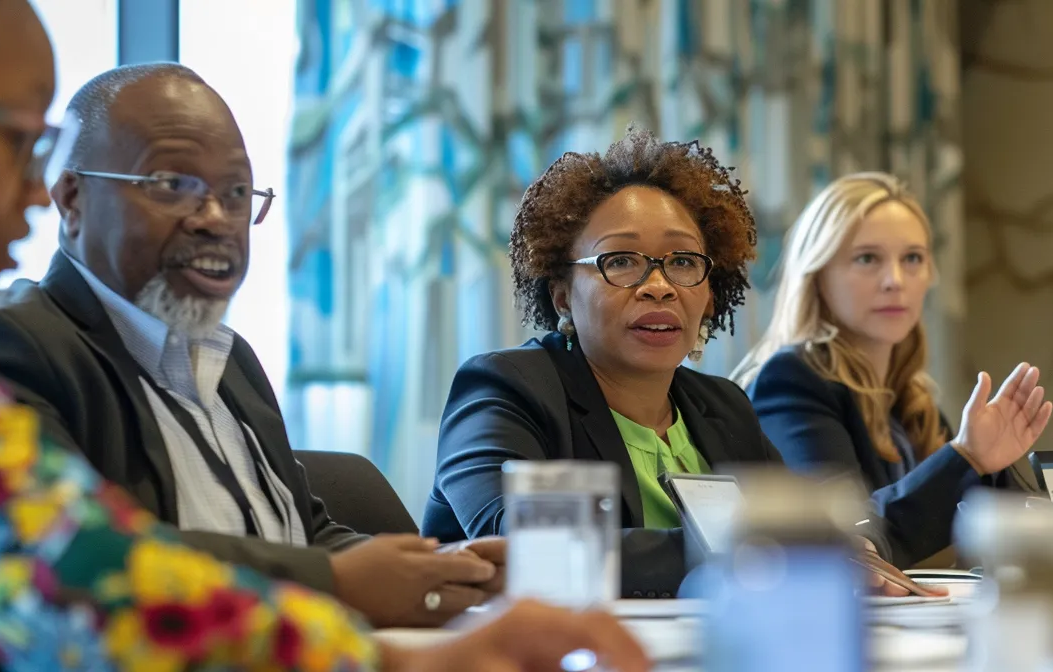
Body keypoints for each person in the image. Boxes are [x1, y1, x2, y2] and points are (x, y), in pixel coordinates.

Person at [0, 1, 648, 669]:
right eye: (15, 136)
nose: (29, 182)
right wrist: (390, 647)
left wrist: (434, 574)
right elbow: (85, 584)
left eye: (237, 193)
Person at [0, 62, 501, 628]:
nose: (216, 220)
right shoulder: (2, 344)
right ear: (72, 199)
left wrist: (445, 567)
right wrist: (336, 585)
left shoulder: (231, 359)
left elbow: (302, 532)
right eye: (174, 185)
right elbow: (84, 558)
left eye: (236, 193)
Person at [423, 130, 1005, 595]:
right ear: (560, 294)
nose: (659, 287)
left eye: (682, 262)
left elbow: (812, 533)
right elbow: (521, 548)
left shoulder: (721, 406)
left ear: (710, 288)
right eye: (621, 261)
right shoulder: (505, 389)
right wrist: (758, 550)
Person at [732, 172, 1053, 566]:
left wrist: (1000, 470)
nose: (895, 281)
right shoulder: (790, 381)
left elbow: (990, 533)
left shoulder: (913, 401)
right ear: (817, 276)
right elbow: (840, 534)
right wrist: (966, 457)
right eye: (868, 258)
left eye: (912, 258)